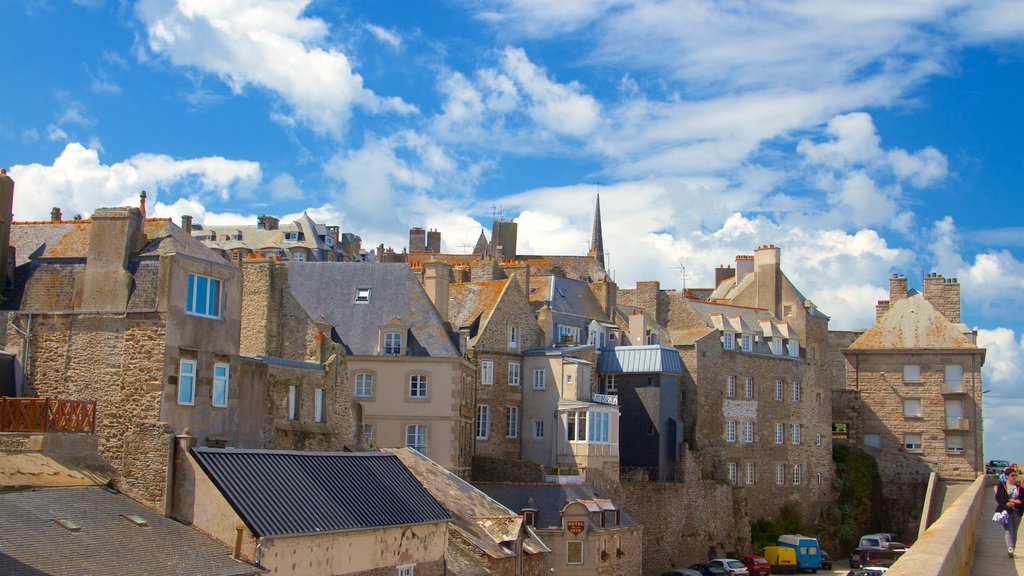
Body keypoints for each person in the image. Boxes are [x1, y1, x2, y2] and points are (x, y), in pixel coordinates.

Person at [996, 466, 1023, 557]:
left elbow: (1021, 500)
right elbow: (999, 498)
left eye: (1015, 475)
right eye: (1012, 475)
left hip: (1017, 512)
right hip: (1006, 511)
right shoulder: (1002, 486)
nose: (1014, 477)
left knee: (1014, 531)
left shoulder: (1019, 488)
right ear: (1007, 476)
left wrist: (1013, 502)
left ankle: (1012, 550)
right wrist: (1011, 502)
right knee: (1008, 530)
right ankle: (1010, 547)